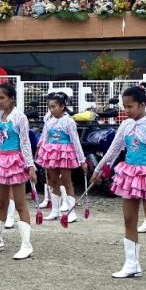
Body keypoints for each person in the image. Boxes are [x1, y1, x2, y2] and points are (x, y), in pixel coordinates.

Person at [91, 86, 146, 287]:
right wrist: (98, 170)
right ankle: (132, 264)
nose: (127, 110)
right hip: (129, 174)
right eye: (124, 106)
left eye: (130, 106)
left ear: (142, 104)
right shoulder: (125, 125)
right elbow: (113, 151)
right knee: (129, 220)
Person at [0, 81, 37, 259]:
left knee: (20, 204)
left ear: (12, 99)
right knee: (1, 202)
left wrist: (30, 166)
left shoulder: (20, 118)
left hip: (15, 161)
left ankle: (26, 245)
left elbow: (25, 143)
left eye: (2, 98)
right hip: (0, 161)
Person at [35, 92, 86, 224]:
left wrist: (82, 160)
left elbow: (76, 141)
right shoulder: (49, 121)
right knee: (53, 181)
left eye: (54, 107)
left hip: (65, 153)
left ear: (62, 106)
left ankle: (71, 212)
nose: (51, 110)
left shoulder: (69, 122)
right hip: (51, 153)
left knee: (66, 181)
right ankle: (55, 211)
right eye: (49, 107)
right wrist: (39, 150)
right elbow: (44, 138)